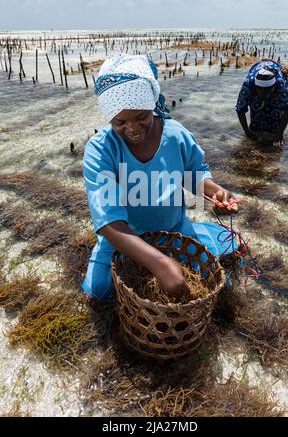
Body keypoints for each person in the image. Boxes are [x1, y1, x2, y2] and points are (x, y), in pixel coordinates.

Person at [82, 54, 240, 303]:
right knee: (98, 292)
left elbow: (194, 174)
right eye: (120, 121)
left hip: (173, 228)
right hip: (123, 237)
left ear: (153, 105)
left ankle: (198, 233)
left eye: (141, 117)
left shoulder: (176, 135)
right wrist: (160, 263)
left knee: (211, 281)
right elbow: (109, 222)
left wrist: (214, 191)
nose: (133, 129)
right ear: (109, 117)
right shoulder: (100, 150)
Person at [236, 60, 288, 147]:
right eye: (260, 90)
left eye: (267, 91)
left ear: (274, 86)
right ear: (255, 87)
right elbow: (240, 109)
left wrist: (280, 133)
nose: (264, 94)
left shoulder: (280, 84)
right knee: (256, 124)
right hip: (256, 75)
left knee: (276, 117)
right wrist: (247, 131)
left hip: (275, 79)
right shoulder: (248, 84)